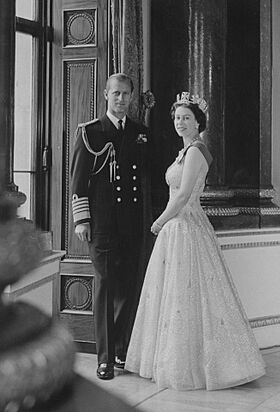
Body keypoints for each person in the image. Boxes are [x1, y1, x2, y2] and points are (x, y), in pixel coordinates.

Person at [125, 92, 266, 391]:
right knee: (176, 296)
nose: (180, 123)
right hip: (178, 227)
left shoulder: (196, 151)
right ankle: (171, 361)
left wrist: (161, 220)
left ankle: (196, 368)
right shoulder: (185, 151)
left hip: (185, 226)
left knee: (188, 295)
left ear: (198, 121)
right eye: (177, 118)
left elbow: (184, 193)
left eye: (186, 118)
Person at [70, 73, 151, 380]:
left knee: (129, 286)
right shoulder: (91, 132)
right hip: (101, 223)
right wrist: (82, 219)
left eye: (126, 94)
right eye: (115, 93)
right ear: (105, 95)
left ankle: (120, 348)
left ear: (131, 98)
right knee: (105, 284)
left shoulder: (141, 133)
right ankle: (104, 358)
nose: (121, 99)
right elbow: (78, 179)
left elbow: (145, 178)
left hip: (131, 222)